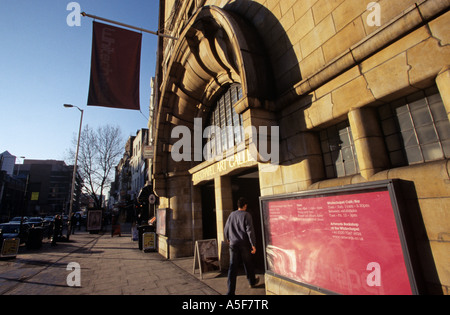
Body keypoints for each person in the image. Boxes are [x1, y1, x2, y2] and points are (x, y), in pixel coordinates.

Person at [224, 197, 260, 295]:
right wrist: (253, 244)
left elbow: (226, 228)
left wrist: (227, 238)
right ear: (245, 205)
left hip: (233, 244)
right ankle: (252, 281)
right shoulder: (247, 215)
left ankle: (230, 292)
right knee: (248, 263)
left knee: (232, 267)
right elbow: (250, 231)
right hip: (243, 243)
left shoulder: (231, 214)